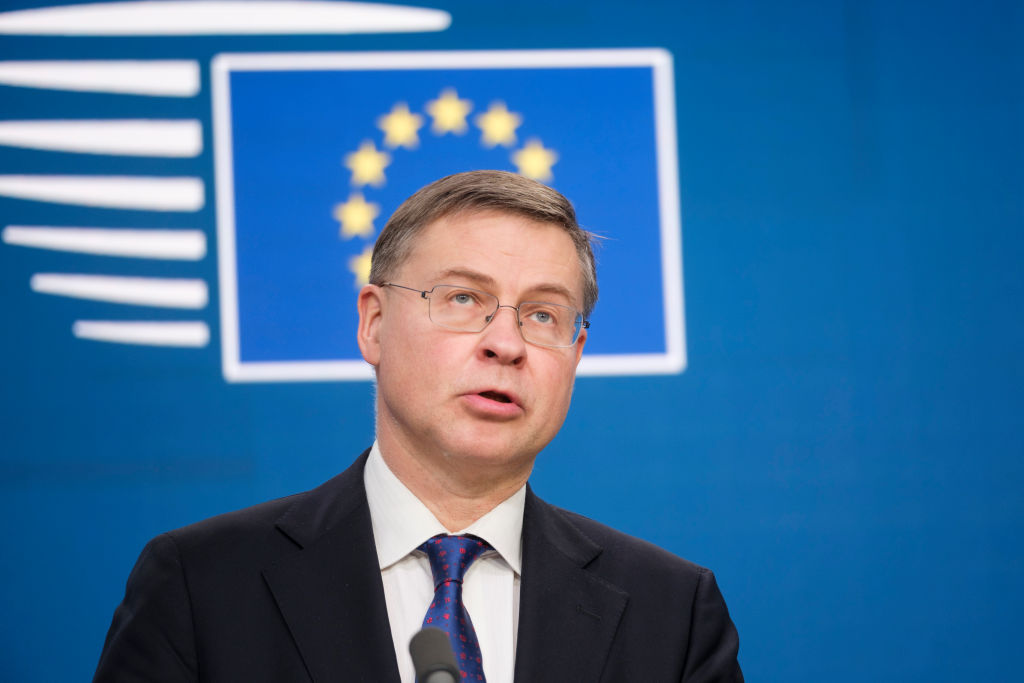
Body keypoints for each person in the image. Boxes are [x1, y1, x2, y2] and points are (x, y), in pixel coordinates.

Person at [94, 170, 743, 682]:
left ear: (575, 355)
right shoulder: (202, 585)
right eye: (464, 299)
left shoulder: (673, 611)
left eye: (544, 315)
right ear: (374, 323)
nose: (506, 344)